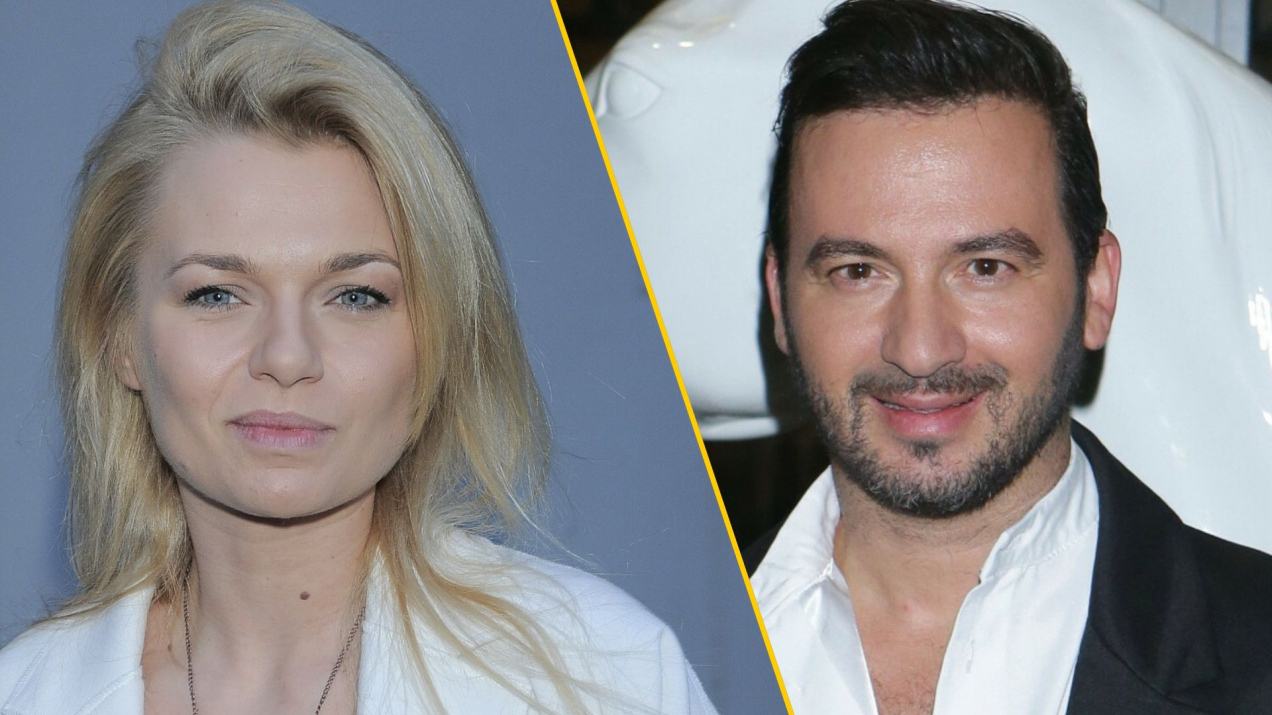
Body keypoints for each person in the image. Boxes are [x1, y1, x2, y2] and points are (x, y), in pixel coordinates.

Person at [0, 2, 718, 713]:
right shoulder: (26, 691)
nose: (287, 356)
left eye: (355, 296)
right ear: (120, 337)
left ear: (435, 340)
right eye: (216, 294)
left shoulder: (606, 678)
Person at [748, 0, 1272, 712]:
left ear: (1096, 288)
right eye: (858, 272)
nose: (920, 349)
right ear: (781, 301)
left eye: (985, 268)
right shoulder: (644, 655)